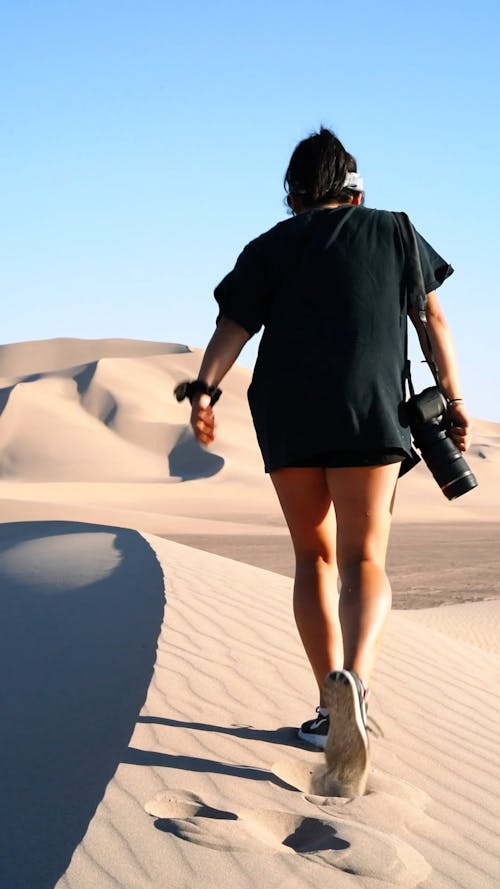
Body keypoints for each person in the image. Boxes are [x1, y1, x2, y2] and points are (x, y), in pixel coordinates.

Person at [176, 127, 471, 795]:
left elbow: (232, 330)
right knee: (365, 558)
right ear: (355, 187)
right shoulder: (395, 231)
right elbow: (434, 321)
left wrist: (203, 391)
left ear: (293, 194)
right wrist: (454, 397)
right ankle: (357, 686)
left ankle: (324, 705)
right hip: (369, 408)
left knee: (314, 556)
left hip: (288, 411)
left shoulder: (269, 247)